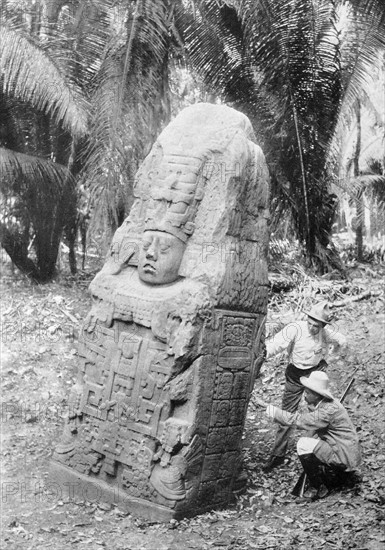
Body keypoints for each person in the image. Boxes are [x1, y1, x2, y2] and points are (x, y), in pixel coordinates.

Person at [263, 301, 347, 471]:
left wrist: (331, 357)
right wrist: (263, 354)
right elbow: (275, 344)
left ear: (323, 325)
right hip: (295, 374)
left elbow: (341, 340)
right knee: (287, 413)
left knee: (316, 415)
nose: (312, 328)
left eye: (317, 326)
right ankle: (278, 455)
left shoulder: (326, 333)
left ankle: (312, 451)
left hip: (314, 375)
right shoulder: (296, 328)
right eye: (310, 323)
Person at [254, 371, 361, 500]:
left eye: (309, 392)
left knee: (303, 444)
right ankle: (334, 475)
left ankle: (319, 486)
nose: (305, 394)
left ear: (317, 395)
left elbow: (297, 420)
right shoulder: (326, 405)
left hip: (344, 455)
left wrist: (268, 408)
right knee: (310, 440)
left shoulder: (327, 411)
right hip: (345, 450)